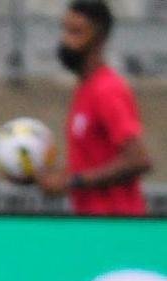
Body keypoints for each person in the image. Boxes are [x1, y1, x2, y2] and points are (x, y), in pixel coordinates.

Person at [35, 0, 153, 215]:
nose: (65, 40)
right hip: (92, 224)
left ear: (99, 38)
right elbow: (91, 163)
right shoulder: (85, 89)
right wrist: (51, 178)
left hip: (117, 225)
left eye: (76, 32)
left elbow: (139, 159)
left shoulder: (107, 89)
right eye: (65, 30)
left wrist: (74, 181)